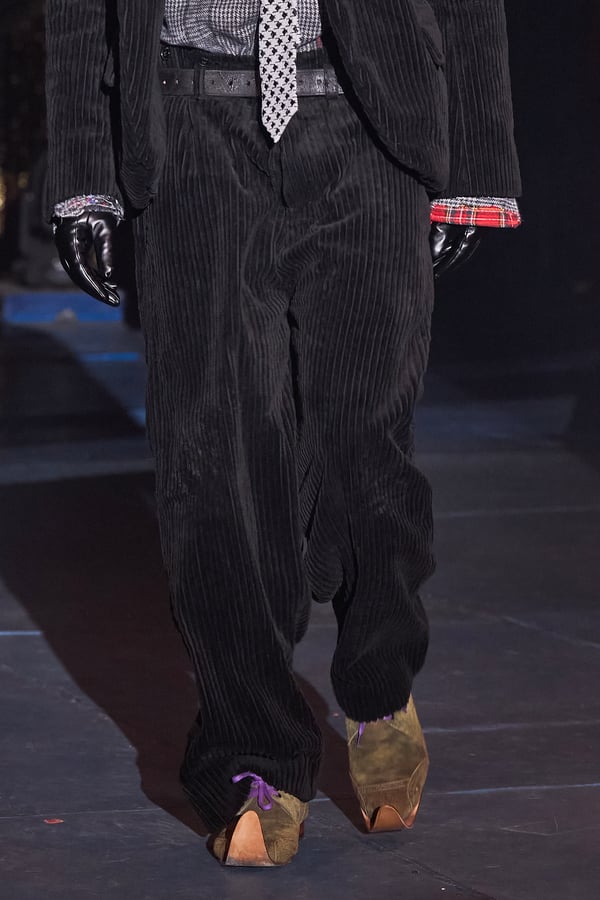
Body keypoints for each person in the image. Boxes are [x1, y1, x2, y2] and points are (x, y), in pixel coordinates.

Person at [45, 0, 521, 867]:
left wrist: (479, 165)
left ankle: (379, 687)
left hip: (369, 127)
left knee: (365, 447)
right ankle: (253, 755)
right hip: (190, 128)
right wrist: (84, 173)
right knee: (214, 462)